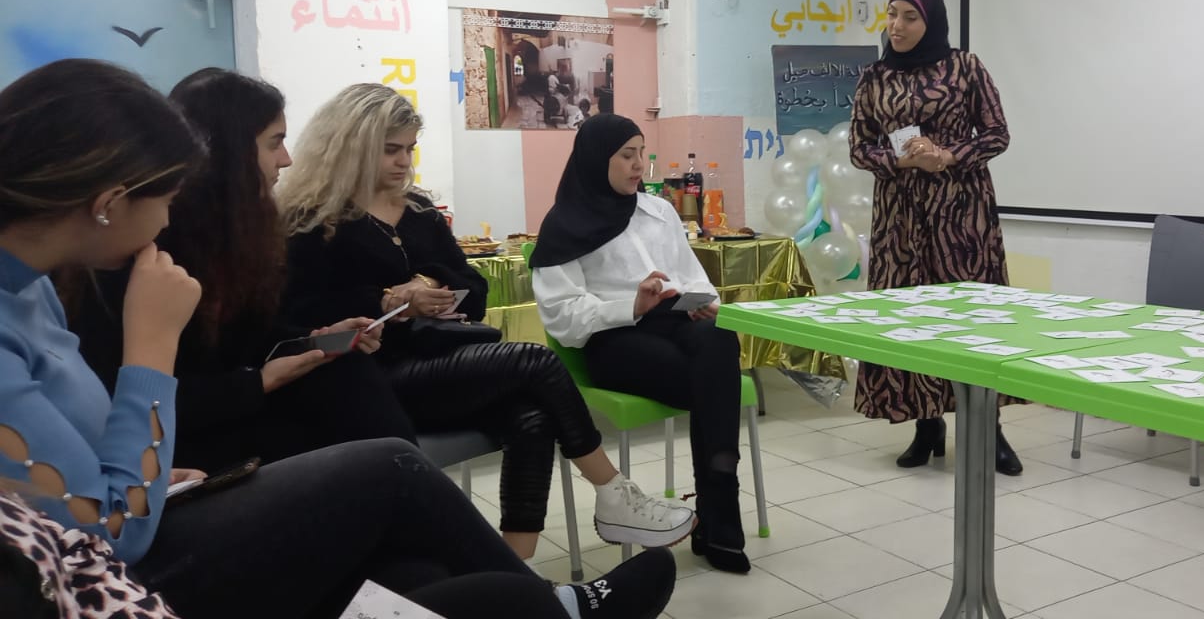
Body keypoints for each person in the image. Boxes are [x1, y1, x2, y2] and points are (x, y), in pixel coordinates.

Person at [0, 59, 676, 619]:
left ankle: (534, 592)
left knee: (433, 565)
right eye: (167, 192)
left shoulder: (45, 286)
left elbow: (103, 446)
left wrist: (301, 348)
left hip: (194, 471)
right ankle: (555, 592)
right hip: (134, 560)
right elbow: (111, 533)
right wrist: (157, 352)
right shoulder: (112, 282)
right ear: (108, 202)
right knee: (397, 467)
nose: (287, 158)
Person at [277, 83, 694, 560]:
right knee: (534, 361)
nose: (403, 162)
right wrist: (389, 300)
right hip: (371, 376)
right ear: (349, 146)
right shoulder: (314, 221)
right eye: (390, 150)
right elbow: (304, 314)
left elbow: (475, 290)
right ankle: (614, 492)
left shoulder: (419, 211)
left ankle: (515, 569)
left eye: (409, 149)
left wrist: (428, 282)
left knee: (532, 418)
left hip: (441, 356)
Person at [64, 68, 416, 476]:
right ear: (230, 151)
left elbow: (244, 335)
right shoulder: (135, 250)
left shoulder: (232, 235)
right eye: (275, 143)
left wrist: (310, 340)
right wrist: (256, 382)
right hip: (174, 440)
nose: (286, 159)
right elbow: (126, 398)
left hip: (225, 406)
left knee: (347, 377)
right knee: (366, 443)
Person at [529, 115, 750, 575]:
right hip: (614, 341)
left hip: (675, 324)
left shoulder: (659, 211)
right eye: (626, 155)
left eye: (641, 154)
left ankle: (715, 511)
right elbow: (563, 319)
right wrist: (630, 306)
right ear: (597, 159)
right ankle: (720, 515)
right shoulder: (564, 224)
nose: (637, 166)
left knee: (717, 336)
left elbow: (693, 279)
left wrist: (702, 303)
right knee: (716, 383)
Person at [848, 0, 1025, 476]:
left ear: (931, 22)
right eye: (892, 14)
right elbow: (859, 148)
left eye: (910, 17)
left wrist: (947, 155)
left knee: (969, 319)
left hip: (961, 215)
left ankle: (989, 428)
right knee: (910, 318)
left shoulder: (966, 67)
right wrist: (902, 161)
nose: (897, 26)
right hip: (900, 217)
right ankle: (926, 424)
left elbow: (996, 134)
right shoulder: (875, 77)